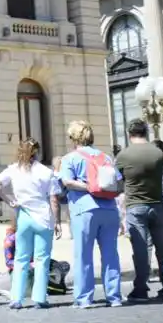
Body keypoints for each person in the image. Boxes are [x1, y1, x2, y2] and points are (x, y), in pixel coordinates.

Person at [59, 121, 123, 308]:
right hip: (109, 209)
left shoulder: (70, 158)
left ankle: (84, 298)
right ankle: (114, 297)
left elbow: (67, 182)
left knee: (83, 255)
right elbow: (119, 184)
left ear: (73, 138)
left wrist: (88, 186)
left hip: (84, 209)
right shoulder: (106, 157)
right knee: (111, 254)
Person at [0, 138, 63, 309]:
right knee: (42, 259)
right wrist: (57, 221)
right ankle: (39, 298)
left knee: (21, 258)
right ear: (37, 152)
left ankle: (16, 298)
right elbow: (54, 200)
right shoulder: (46, 171)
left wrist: (9, 200)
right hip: (43, 217)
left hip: (24, 216)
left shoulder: (14, 169)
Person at [115, 119, 163, 302]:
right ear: (146, 132)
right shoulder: (157, 153)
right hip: (157, 203)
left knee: (141, 250)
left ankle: (141, 289)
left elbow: (117, 180)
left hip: (135, 205)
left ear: (129, 134)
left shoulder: (124, 155)